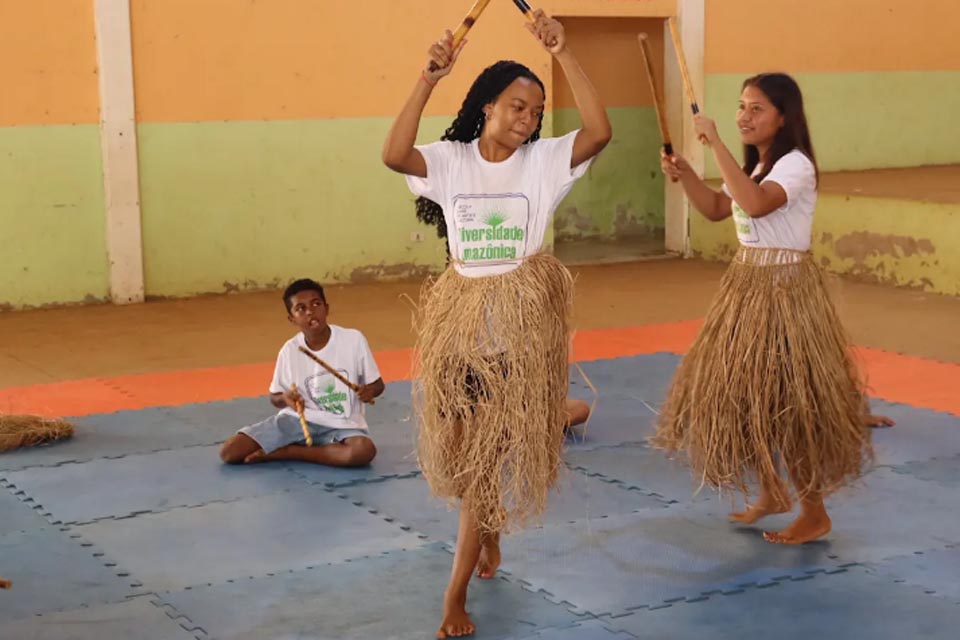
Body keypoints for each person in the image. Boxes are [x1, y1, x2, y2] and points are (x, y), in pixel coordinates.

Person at [382, 10, 610, 638]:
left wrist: (564, 52)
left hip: (516, 336)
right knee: (458, 462)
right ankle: (489, 528)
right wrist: (428, 78)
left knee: (480, 470)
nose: (527, 119)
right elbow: (393, 153)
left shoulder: (544, 162)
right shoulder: (450, 159)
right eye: (516, 105)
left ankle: (453, 598)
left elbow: (598, 130)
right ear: (486, 105)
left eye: (535, 111)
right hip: (460, 328)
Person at [651, 73, 872, 545]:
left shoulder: (795, 166)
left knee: (789, 406)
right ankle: (774, 491)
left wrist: (716, 147)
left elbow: (754, 206)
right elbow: (716, 207)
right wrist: (687, 171)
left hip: (785, 294)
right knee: (747, 397)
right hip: (748, 289)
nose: (743, 116)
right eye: (741, 106)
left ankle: (814, 511)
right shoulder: (758, 167)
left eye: (756, 109)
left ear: (783, 117)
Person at [219, 279, 383, 466]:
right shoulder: (289, 350)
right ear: (292, 319)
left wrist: (369, 391)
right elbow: (275, 397)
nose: (310, 312)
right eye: (301, 308)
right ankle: (311, 449)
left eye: (316, 304)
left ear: (326, 308)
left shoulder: (353, 340)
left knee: (362, 451)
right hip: (298, 421)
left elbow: (378, 385)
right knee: (230, 452)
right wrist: (285, 399)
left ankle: (290, 451)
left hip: (342, 424)